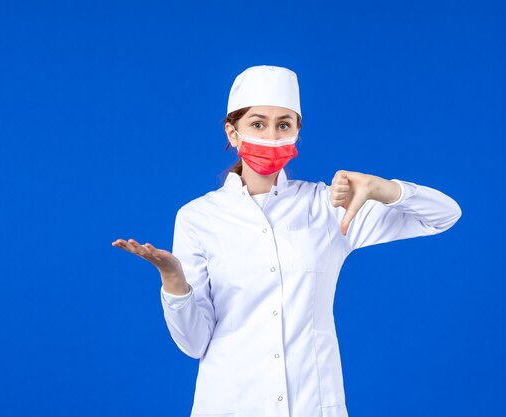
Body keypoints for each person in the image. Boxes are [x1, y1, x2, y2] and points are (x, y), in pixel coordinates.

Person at [112, 65, 462, 417]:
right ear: (232, 133)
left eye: (284, 125)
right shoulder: (199, 217)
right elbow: (194, 343)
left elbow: (444, 215)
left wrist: (382, 188)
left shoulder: (328, 207)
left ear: (297, 131)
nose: (271, 136)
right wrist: (174, 280)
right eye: (258, 124)